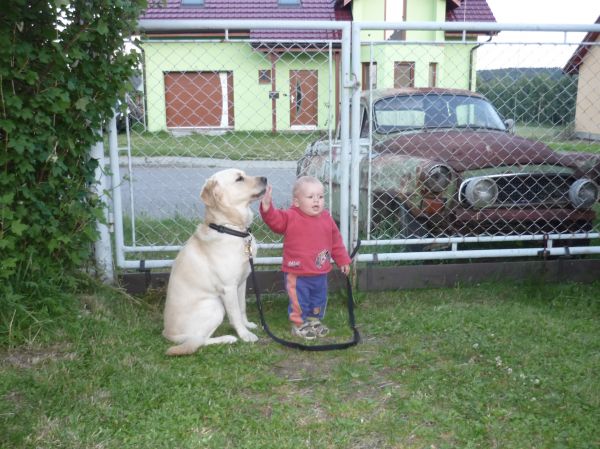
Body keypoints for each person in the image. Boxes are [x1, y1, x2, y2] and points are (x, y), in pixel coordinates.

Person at [260, 176, 351, 340]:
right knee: (299, 300)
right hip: (297, 272)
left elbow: (336, 241)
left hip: (320, 271)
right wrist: (267, 207)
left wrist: (343, 260)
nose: (316, 201)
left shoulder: (326, 218)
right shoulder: (290, 216)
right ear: (296, 202)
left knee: (319, 298)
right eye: (310, 197)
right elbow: (275, 221)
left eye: (320, 197)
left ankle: (313, 320)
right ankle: (298, 324)